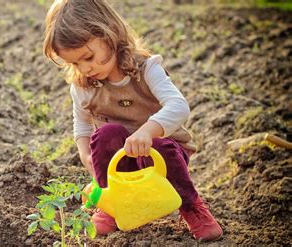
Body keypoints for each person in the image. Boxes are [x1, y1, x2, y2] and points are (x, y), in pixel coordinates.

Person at [42, 0, 223, 242]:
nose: (85, 68)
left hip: (164, 156)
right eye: (75, 63)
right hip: (119, 162)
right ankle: (110, 205)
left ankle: (191, 206)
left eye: (89, 57)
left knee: (158, 144)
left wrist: (148, 131)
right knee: (106, 135)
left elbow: (179, 106)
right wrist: (86, 155)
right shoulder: (84, 86)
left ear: (109, 35)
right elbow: (82, 124)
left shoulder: (146, 69)